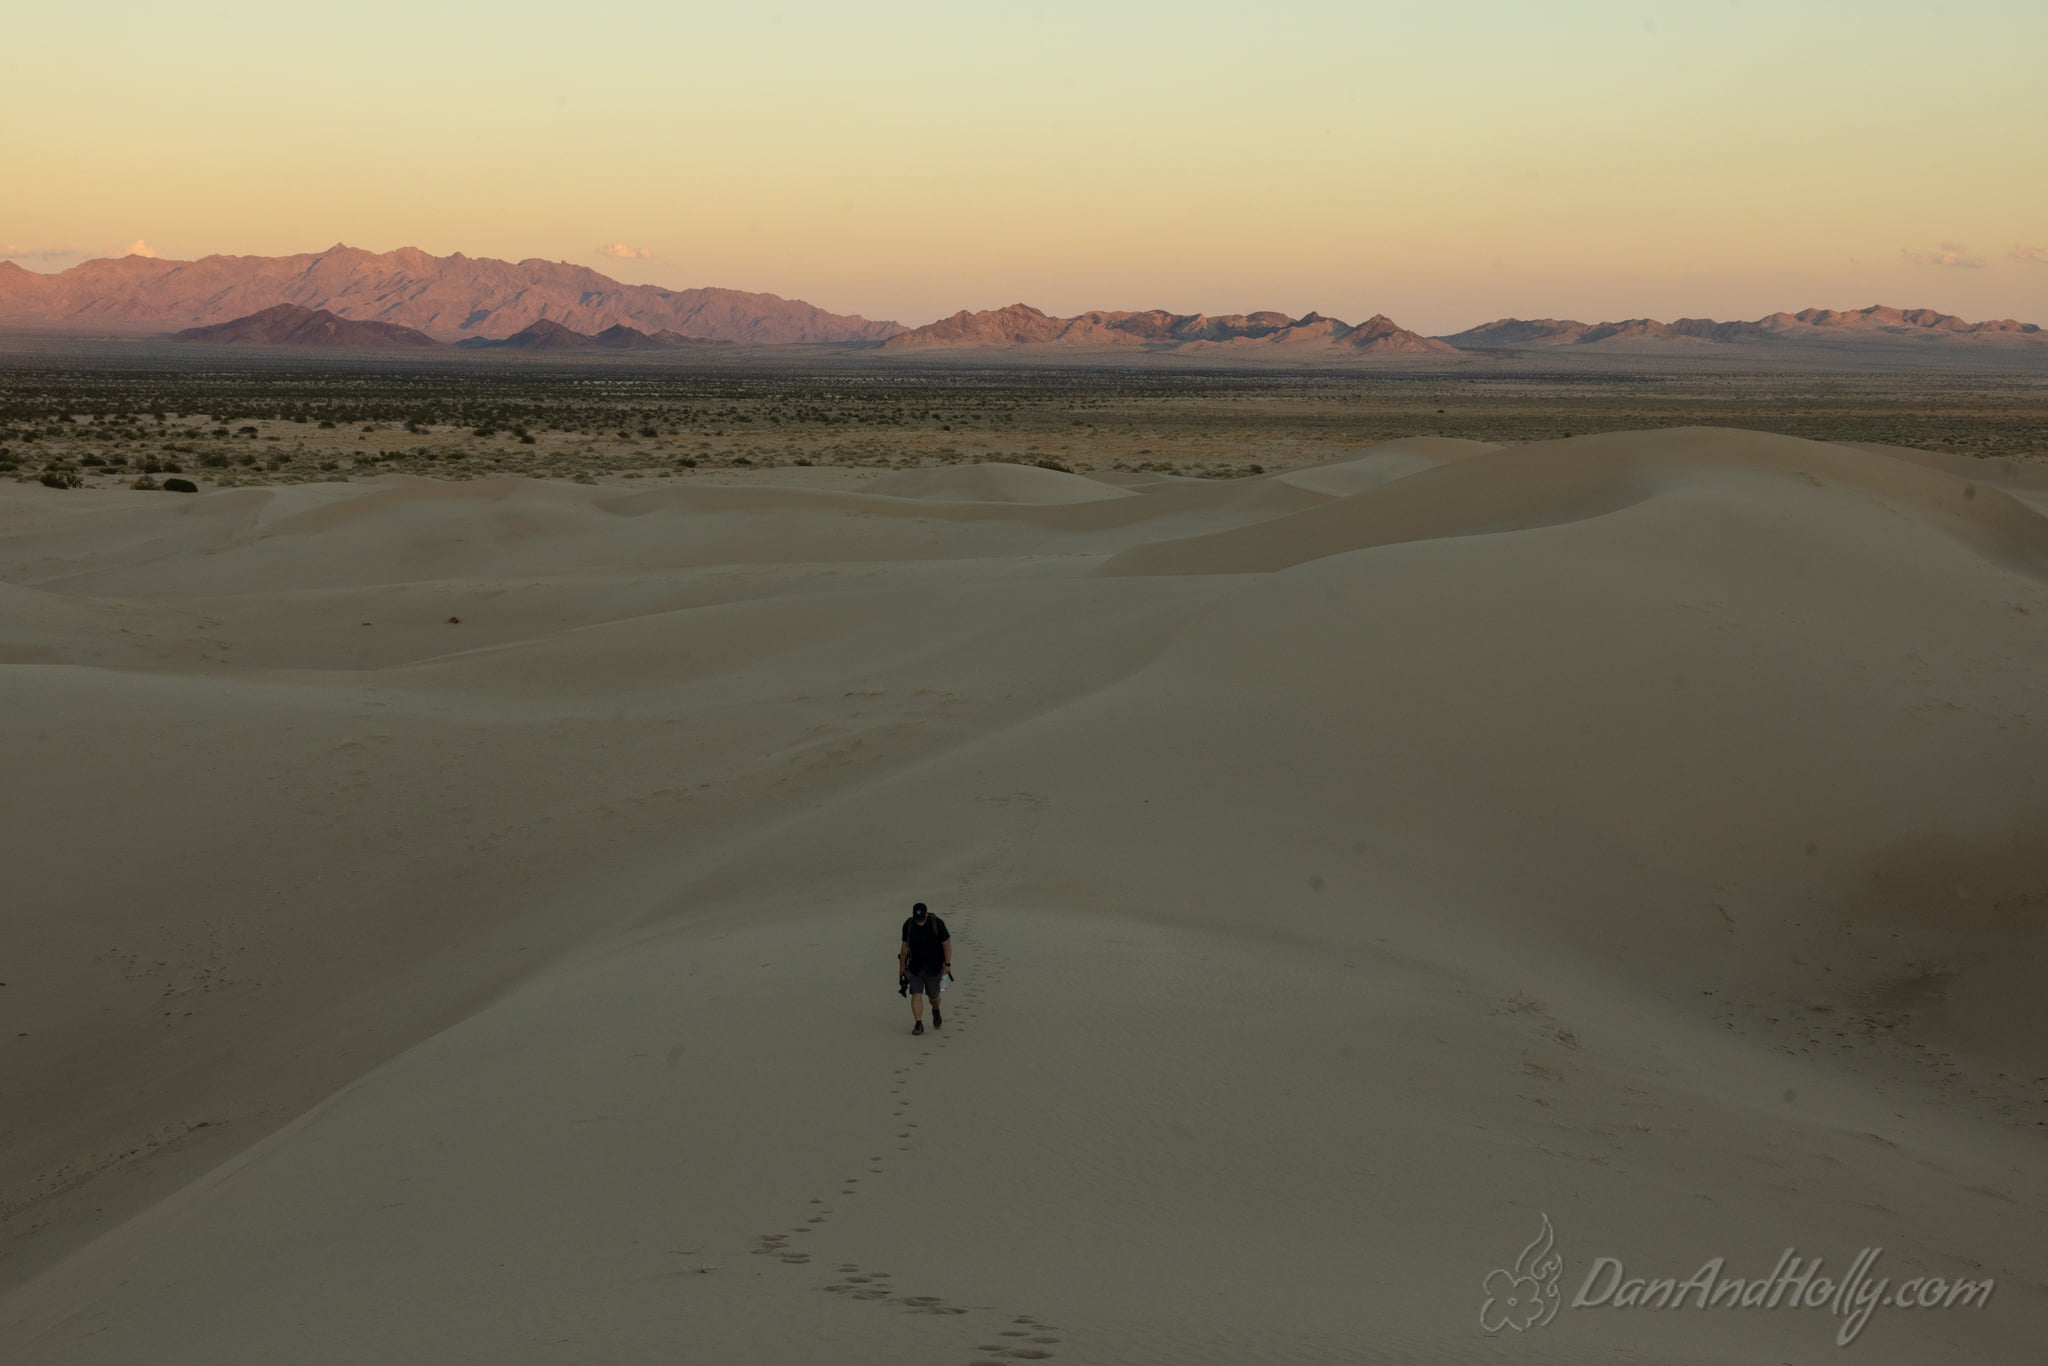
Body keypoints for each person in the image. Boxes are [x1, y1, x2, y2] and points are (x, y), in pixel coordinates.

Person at [897, 901, 951, 1036]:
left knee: (934, 996)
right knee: (916, 994)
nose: (919, 922)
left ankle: (936, 1010)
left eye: (921, 919)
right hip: (915, 967)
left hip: (934, 968)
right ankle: (918, 1024)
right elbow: (905, 946)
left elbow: (946, 943)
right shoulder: (908, 925)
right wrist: (902, 966)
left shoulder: (937, 923)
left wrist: (947, 964)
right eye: (917, 919)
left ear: (926, 914)